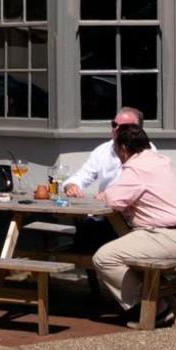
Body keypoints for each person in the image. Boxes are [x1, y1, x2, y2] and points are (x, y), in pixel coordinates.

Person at [93, 124, 176, 325]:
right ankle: (165, 299)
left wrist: (104, 194)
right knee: (127, 249)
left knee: (104, 258)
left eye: (116, 149)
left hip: (168, 237)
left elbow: (114, 201)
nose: (117, 154)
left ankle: (157, 307)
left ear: (124, 148)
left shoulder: (137, 167)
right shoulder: (160, 160)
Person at [62, 106, 143, 252]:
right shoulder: (103, 150)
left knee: (93, 236)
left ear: (136, 130)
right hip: (104, 216)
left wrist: (109, 195)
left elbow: (136, 188)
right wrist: (72, 185)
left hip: (132, 220)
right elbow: (83, 175)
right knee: (85, 235)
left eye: (122, 127)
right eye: (114, 125)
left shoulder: (146, 152)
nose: (115, 129)